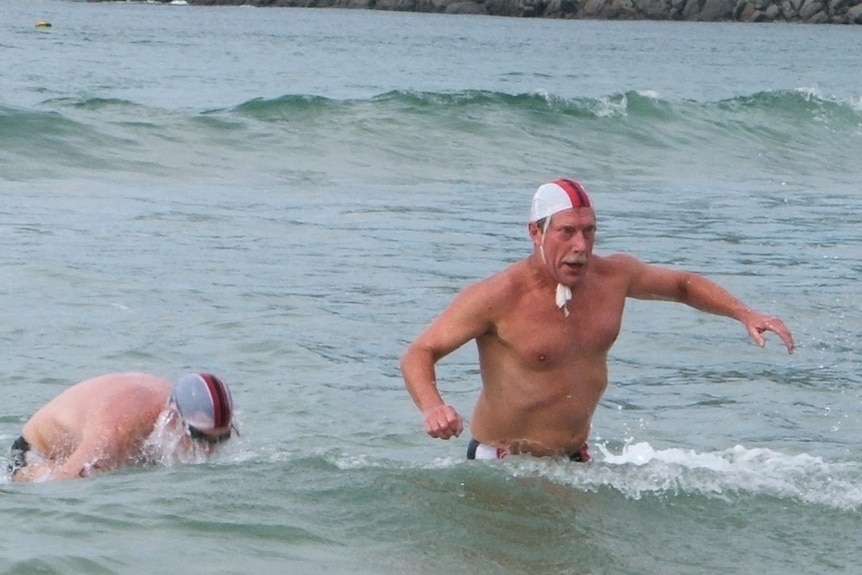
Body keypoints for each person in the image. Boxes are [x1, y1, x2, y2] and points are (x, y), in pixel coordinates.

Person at [400, 178, 795, 462]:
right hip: (503, 465)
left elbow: (682, 285)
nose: (580, 247)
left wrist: (744, 312)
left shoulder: (612, 277)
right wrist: (432, 406)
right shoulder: (497, 297)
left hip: (576, 461)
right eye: (567, 232)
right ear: (536, 233)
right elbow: (420, 351)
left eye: (589, 232)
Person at [8, 372, 236, 482]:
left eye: (219, 440)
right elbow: (63, 484)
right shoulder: (116, 432)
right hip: (35, 456)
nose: (209, 451)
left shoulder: (173, 406)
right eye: (200, 439)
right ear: (174, 420)